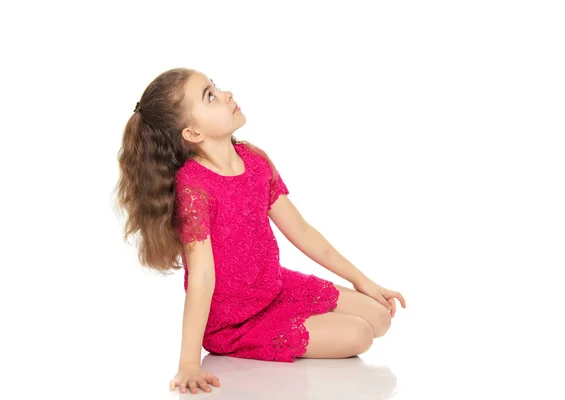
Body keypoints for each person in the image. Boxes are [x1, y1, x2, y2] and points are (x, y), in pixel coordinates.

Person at [114, 68, 407, 395]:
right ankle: (242, 345)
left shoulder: (253, 160)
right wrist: (189, 362)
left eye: (216, 87)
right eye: (210, 96)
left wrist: (361, 279)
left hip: (274, 288)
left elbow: (303, 231)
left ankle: (332, 312)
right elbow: (202, 276)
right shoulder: (194, 189)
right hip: (235, 322)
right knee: (360, 335)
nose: (225, 94)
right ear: (193, 133)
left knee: (380, 317)